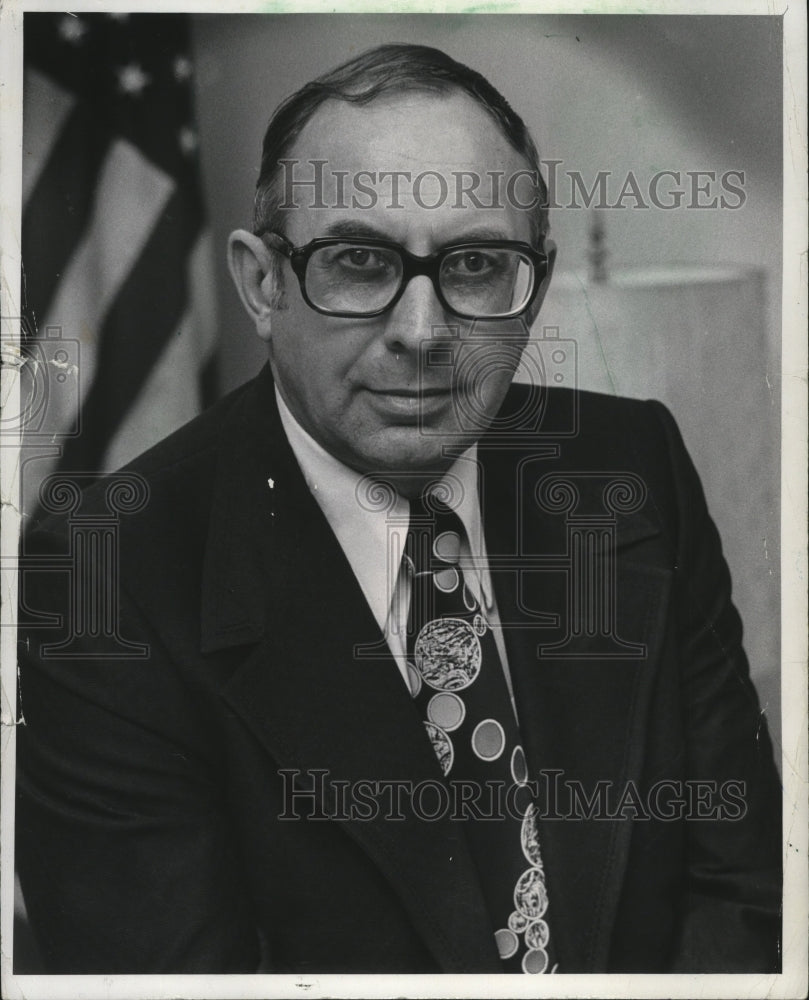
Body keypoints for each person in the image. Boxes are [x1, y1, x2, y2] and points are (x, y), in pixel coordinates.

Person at [15, 43, 781, 975]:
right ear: (262, 284)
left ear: (530, 287)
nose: (421, 333)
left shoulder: (627, 468)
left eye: (473, 266)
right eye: (355, 261)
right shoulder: (109, 579)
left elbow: (746, 897)